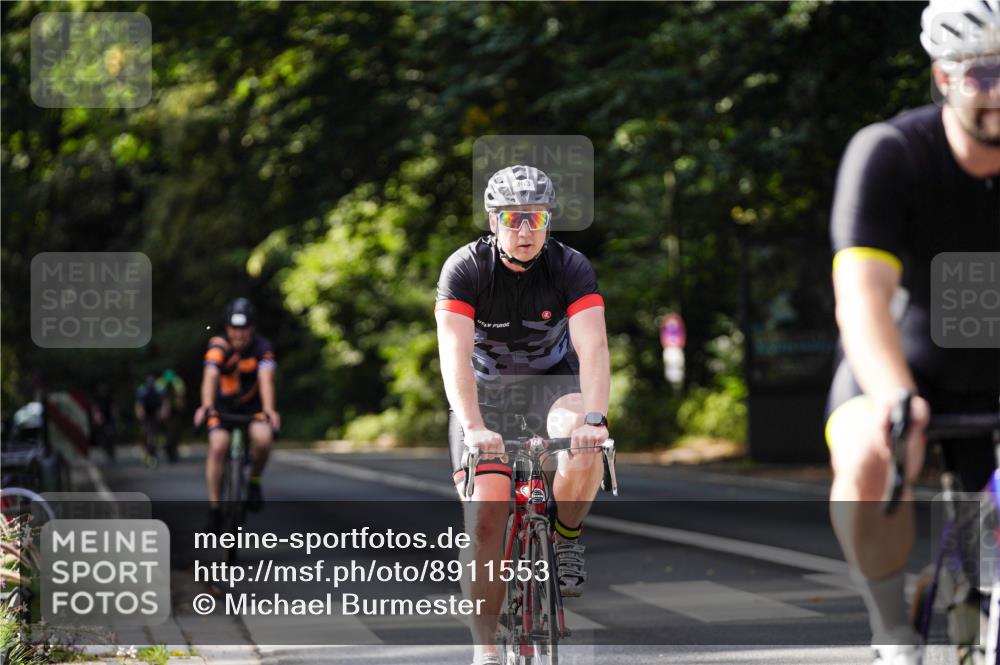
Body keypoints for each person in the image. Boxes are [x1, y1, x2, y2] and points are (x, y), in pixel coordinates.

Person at [826, 2, 1000, 663]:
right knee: (873, 448)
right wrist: (896, 394)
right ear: (944, 77)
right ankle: (891, 628)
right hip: (903, 360)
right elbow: (862, 297)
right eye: (984, 76)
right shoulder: (890, 153)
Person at [435, 164, 610, 665]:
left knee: (583, 439)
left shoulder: (570, 266)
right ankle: (486, 649)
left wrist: (595, 419)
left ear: (549, 220)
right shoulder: (465, 269)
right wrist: (473, 428)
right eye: (514, 218)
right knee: (486, 518)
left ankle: (567, 536)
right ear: (494, 221)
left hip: (554, 389)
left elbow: (593, 347)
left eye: (536, 217)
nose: (526, 230)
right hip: (485, 399)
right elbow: (453, 355)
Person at [193, 297, 280, 532]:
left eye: (244, 328)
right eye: (234, 328)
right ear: (227, 327)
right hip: (221, 409)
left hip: (253, 410)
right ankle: (214, 509)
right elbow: (210, 375)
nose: (238, 334)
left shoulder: (262, 347)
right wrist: (206, 405)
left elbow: (266, 379)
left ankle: (254, 481)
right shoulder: (218, 345)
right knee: (218, 447)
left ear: (252, 327)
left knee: (263, 440)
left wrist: (269, 410)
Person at [156, 369, 186, 463]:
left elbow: (180, 396)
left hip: (172, 411)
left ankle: (171, 450)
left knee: (171, 432)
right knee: (170, 432)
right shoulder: (172, 381)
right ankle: (168, 449)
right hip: (166, 411)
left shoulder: (174, 382)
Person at [135, 373, 166, 464]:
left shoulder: (159, 389)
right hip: (146, 413)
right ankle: (147, 451)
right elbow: (139, 404)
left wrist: (163, 412)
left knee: (155, 433)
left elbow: (164, 402)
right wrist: (140, 414)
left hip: (155, 412)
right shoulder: (142, 390)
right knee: (146, 432)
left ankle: (154, 451)